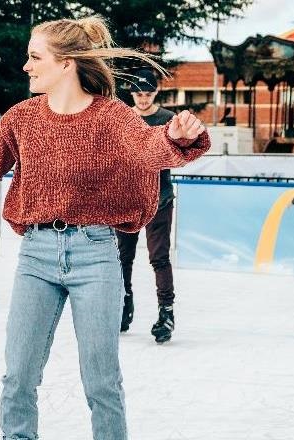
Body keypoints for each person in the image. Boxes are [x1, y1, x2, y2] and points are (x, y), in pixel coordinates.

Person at [0, 16, 209, 440]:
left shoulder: (113, 117)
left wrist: (177, 138)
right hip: (36, 256)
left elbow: (150, 149)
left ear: (67, 64)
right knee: (18, 377)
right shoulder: (22, 118)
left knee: (101, 383)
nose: (27, 67)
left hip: (96, 256)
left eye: (35, 57)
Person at [116, 68, 179, 343]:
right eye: (138, 94)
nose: (143, 99)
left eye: (148, 94)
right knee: (122, 257)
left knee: (159, 257)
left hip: (160, 198)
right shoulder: (124, 117)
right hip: (128, 200)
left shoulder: (167, 120)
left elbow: (178, 154)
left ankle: (166, 312)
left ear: (156, 93)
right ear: (132, 94)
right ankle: (123, 304)